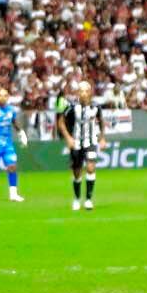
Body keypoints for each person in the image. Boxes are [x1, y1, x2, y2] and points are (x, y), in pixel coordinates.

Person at [57, 79, 103, 211]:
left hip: (91, 142)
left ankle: (88, 200)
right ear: (78, 93)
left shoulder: (96, 106)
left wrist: (102, 138)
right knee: (77, 173)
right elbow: (61, 123)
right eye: (81, 91)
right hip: (76, 142)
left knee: (90, 168)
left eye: (86, 91)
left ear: (90, 93)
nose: (83, 93)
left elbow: (101, 121)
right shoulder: (71, 106)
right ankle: (77, 199)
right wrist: (68, 138)